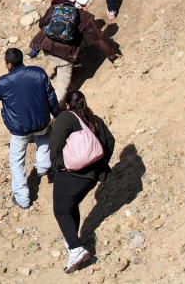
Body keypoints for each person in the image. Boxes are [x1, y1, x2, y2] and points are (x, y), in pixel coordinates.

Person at [0, 48, 61, 209]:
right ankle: (43, 166)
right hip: (42, 121)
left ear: (8, 64)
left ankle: (22, 198)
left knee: (17, 161)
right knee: (43, 137)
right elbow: (51, 96)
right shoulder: (38, 73)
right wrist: (58, 114)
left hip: (19, 128)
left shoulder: (3, 83)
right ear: (22, 59)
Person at [49, 90, 115, 274]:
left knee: (61, 210)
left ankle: (75, 248)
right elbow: (109, 141)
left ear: (68, 104)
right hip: (92, 177)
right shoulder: (94, 119)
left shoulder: (66, 118)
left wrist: (60, 166)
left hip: (72, 175)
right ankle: (73, 239)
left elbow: (54, 146)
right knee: (71, 206)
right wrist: (99, 164)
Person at [29, 0, 121, 101]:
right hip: (64, 56)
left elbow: (41, 24)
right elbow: (98, 39)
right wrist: (112, 55)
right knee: (62, 87)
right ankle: (54, 114)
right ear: (85, 1)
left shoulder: (56, 7)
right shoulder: (86, 17)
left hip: (46, 47)